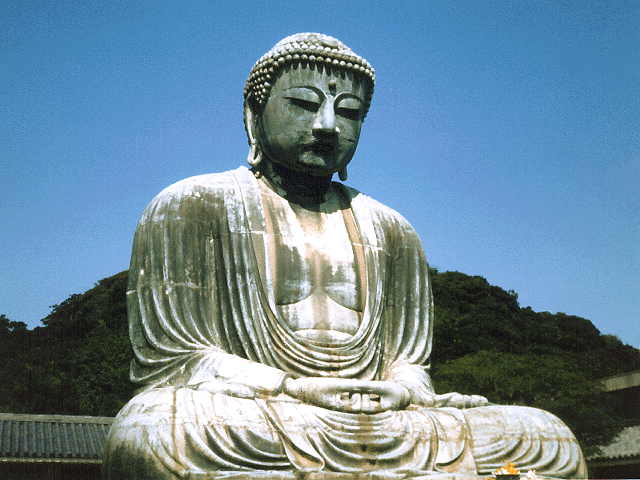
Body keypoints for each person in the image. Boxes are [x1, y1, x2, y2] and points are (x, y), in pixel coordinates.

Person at [103, 33, 587, 479]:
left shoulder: (393, 230)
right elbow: (178, 361)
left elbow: (409, 364)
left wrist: (400, 390)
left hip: (382, 422)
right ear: (254, 114)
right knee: (152, 429)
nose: (329, 126)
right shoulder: (191, 206)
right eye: (302, 104)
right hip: (268, 413)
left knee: (546, 435)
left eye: (350, 112)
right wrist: (293, 387)